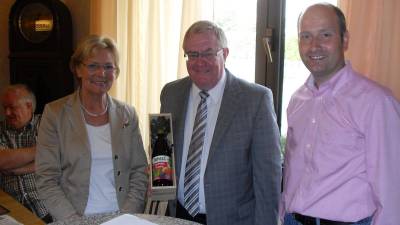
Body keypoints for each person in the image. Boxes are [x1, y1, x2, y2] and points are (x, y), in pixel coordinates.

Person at [281, 3, 400, 225]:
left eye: (325, 35)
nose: (314, 46)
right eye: (306, 36)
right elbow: (292, 170)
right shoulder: (298, 100)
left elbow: (393, 193)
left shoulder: (376, 102)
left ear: (344, 40)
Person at [160, 20, 282, 225]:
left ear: (224, 54)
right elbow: (163, 152)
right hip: (177, 215)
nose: (199, 62)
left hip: (233, 220)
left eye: (208, 53)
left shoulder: (255, 99)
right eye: (192, 54)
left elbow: (268, 179)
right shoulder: (171, 93)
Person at [35, 35, 148, 221]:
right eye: (93, 66)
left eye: (108, 67)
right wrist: (73, 220)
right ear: (78, 69)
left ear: (116, 72)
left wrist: (126, 217)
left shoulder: (127, 114)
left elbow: (139, 171)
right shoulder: (55, 113)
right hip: (74, 217)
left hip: (121, 216)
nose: (101, 74)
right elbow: (46, 178)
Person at [0, 84, 53, 223]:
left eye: (12, 107)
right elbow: (1, 161)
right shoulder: (1, 130)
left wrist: (14, 168)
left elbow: (60, 158)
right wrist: (41, 149)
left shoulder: (47, 124)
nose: (6, 113)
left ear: (29, 106)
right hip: (10, 209)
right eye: (4, 108)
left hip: (47, 207)